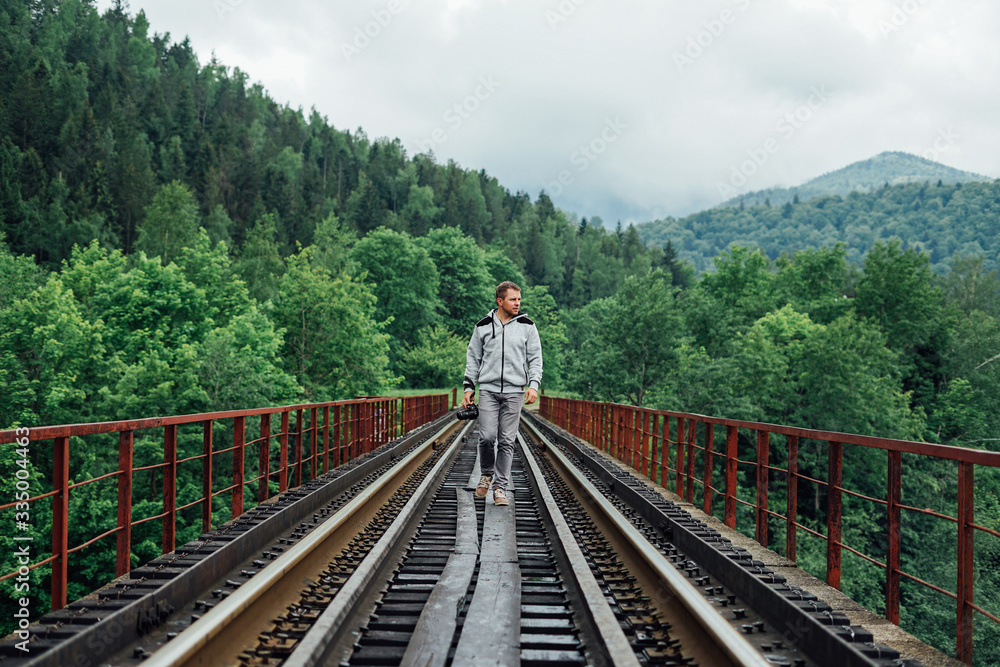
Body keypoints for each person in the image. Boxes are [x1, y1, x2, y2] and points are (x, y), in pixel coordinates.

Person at [462, 281, 543, 506]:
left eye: (519, 299)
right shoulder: (482, 326)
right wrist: (469, 387)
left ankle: (500, 487)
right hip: (488, 390)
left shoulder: (528, 326)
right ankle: (487, 473)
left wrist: (533, 384)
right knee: (487, 437)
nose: (518, 303)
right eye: (513, 299)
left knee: (507, 440)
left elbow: (535, 358)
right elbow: (473, 358)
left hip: (514, 391)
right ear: (500, 301)